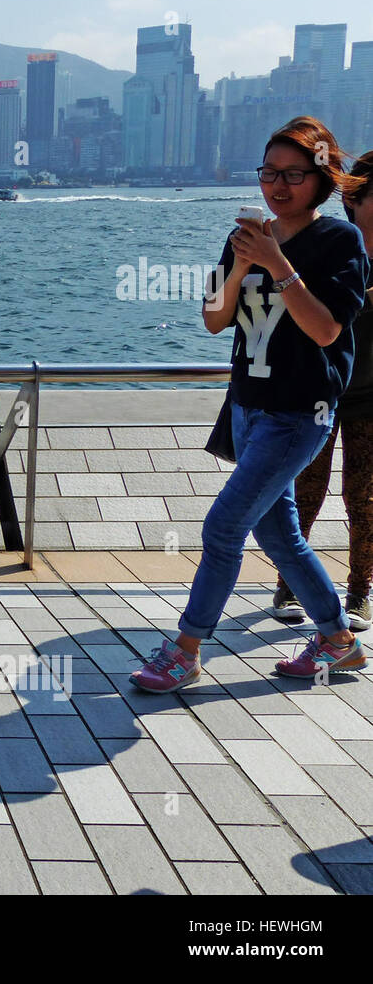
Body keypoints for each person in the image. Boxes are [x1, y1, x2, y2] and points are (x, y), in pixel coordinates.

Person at [131, 117, 370, 693]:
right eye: (269, 173)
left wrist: (278, 263)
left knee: (223, 526)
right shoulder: (246, 238)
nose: (278, 186)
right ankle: (338, 642)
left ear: (323, 180)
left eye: (294, 174)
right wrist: (243, 262)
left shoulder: (340, 242)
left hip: (299, 413)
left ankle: (185, 650)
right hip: (248, 407)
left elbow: (327, 330)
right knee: (278, 533)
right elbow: (215, 319)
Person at [271, 151, 373, 630]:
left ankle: (358, 595)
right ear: (354, 199)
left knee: (365, 497)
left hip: (372, 397)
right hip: (322, 388)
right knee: (304, 491)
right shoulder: (333, 243)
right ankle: (288, 586)